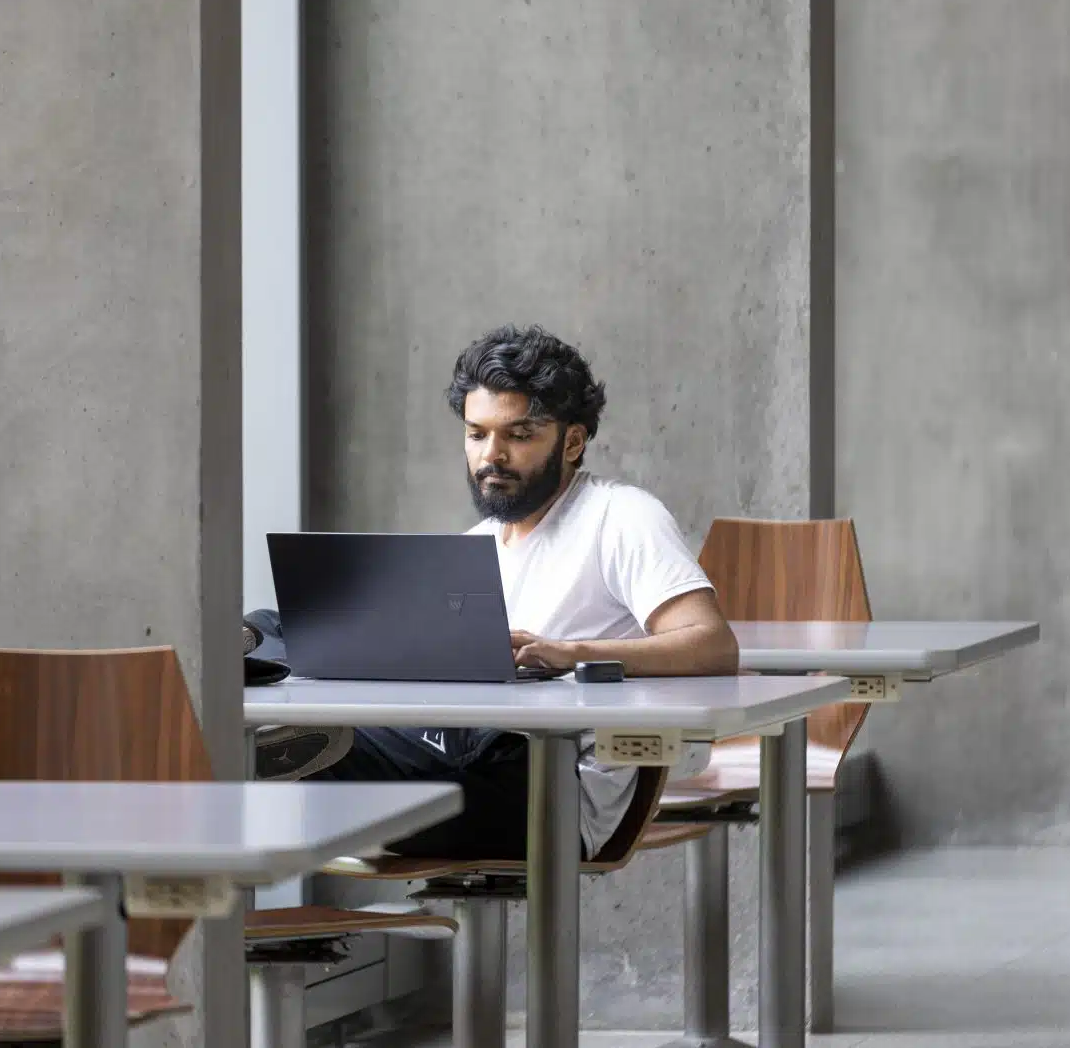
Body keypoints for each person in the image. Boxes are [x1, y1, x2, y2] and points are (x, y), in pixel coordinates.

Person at [263, 324, 737, 858]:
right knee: (276, 627)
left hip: (546, 785)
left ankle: (290, 754)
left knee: (337, 761)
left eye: (518, 435)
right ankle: (272, 715)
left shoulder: (621, 517)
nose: (493, 455)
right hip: (446, 745)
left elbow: (712, 646)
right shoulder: (475, 547)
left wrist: (571, 654)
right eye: (477, 434)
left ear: (573, 441)